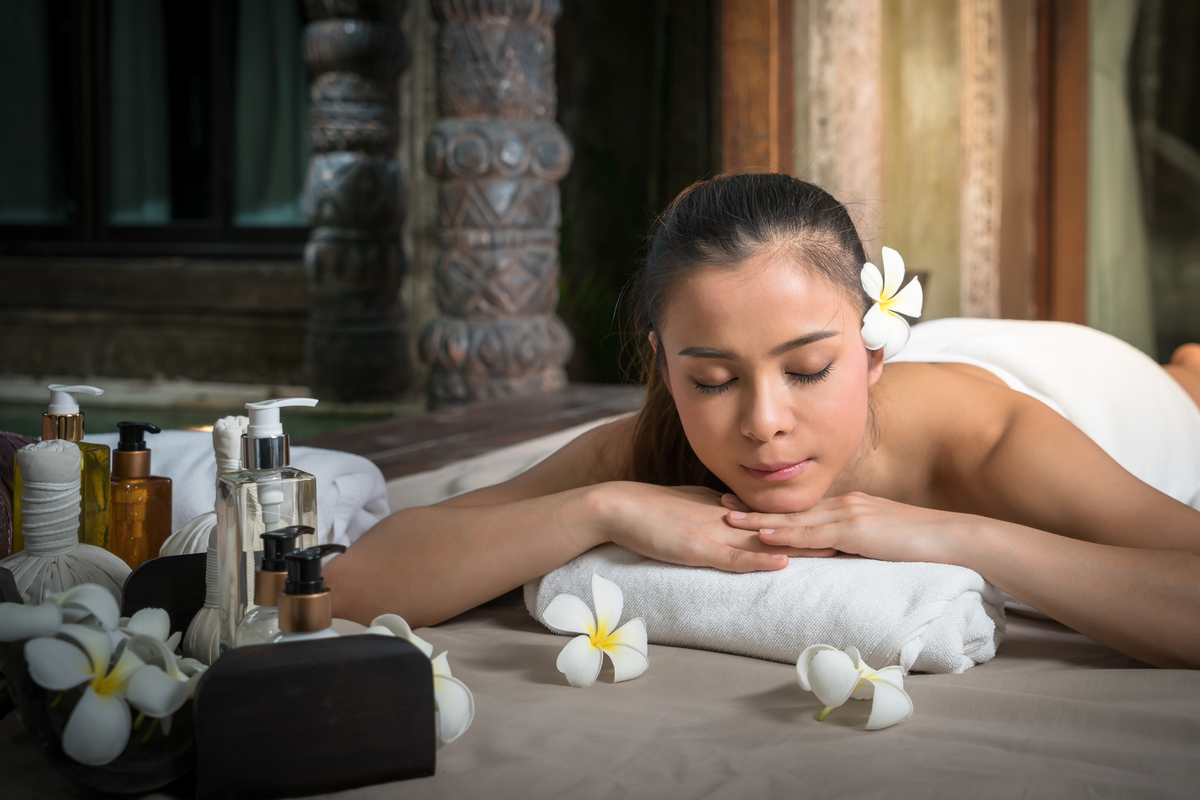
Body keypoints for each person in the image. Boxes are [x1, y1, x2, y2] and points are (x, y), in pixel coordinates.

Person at [327, 174, 1200, 669]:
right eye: (711, 381)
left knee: (1184, 385)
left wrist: (960, 535)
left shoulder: (988, 436)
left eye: (808, 370)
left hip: (1084, 379)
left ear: (871, 354)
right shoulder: (645, 445)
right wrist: (595, 509)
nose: (763, 424)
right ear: (666, 372)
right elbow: (352, 586)